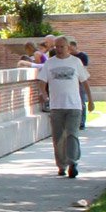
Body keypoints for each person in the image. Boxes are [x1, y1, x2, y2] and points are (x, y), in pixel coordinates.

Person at [39, 37, 93, 178]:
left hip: (74, 106)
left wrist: (90, 100)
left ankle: (73, 162)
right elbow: (42, 82)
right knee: (58, 137)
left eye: (62, 46)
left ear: (68, 47)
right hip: (56, 107)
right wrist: (45, 95)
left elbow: (85, 82)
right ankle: (61, 165)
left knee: (71, 134)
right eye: (57, 47)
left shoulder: (76, 62)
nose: (59, 49)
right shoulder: (50, 63)